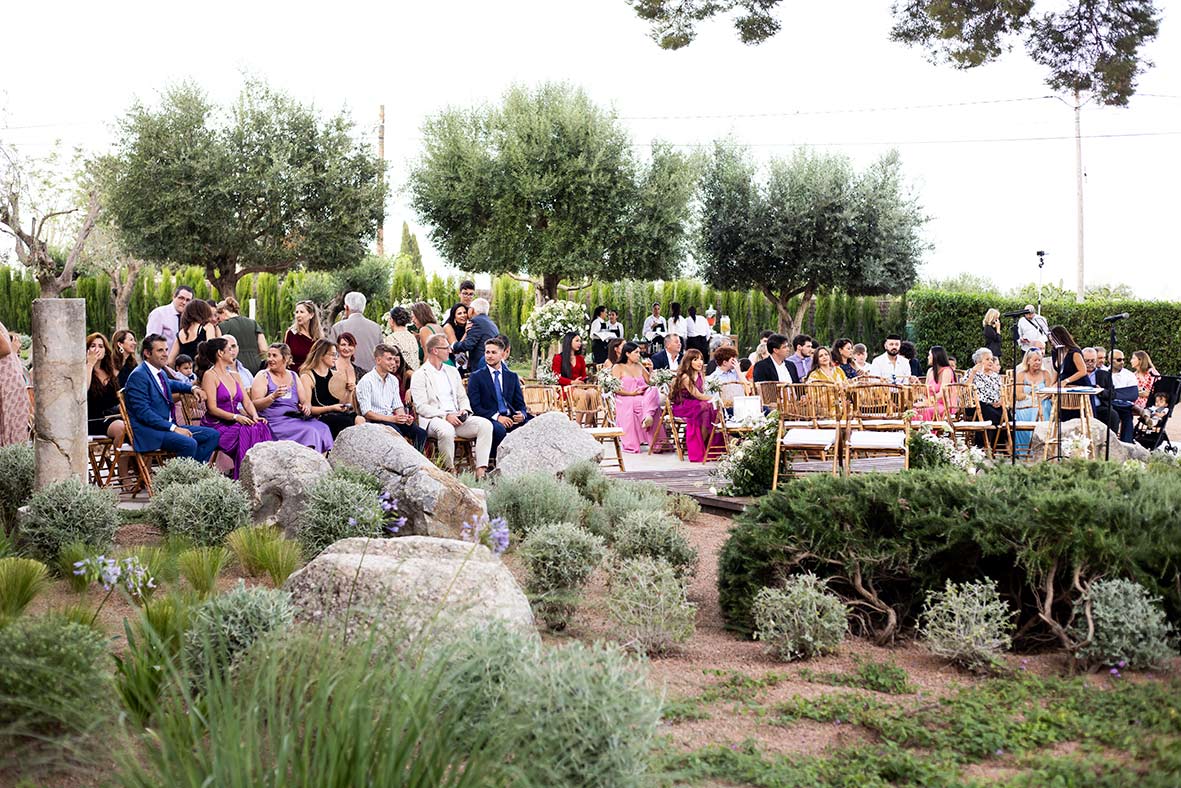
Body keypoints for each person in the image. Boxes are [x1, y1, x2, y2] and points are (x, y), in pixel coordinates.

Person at [123, 334, 219, 463]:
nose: (165, 354)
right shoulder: (138, 376)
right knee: (188, 443)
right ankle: (183, 479)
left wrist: (193, 389)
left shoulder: (160, 372)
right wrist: (174, 429)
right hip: (151, 432)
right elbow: (144, 414)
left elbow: (172, 383)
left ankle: (193, 475)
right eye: (160, 350)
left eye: (166, 350)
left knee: (212, 435)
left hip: (167, 427)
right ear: (147, 353)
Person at [410, 334, 493, 478]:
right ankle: (450, 472)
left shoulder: (452, 371)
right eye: (446, 347)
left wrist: (465, 411)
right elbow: (421, 407)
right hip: (434, 419)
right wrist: (445, 416)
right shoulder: (420, 375)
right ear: (435, 350)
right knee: (446, 430)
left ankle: (481, 472)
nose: (450, 350)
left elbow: (462, 397)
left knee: (485, 425)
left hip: (457, 417)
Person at [197, 337, 273, 479]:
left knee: (260, 426)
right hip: (217, 425)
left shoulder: (235, 375)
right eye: (229, 349)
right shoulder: (210, 375)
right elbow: (212, 408)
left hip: (236, 421)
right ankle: (245, 479)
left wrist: (255, 416)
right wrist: (235, 417)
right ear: (220, 353)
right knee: (247, 431)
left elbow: (247, 402)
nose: (233, 352)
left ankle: (262, 476)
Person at [251, 343, 333, 453]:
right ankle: (308, 465)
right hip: (274, 422)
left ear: (285, 358)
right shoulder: (263, 375)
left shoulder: (294, 375)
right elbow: (255, 404)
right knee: (310, 431)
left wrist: (305, 407)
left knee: (323, 428)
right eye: (269, 355)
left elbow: (304, 401)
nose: (270, 359)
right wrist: (272, 396)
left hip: (294, 418)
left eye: (274, 356)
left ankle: (323, 463)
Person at [467, 336, 530, 459]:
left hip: (511, 416)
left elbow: (520, 403)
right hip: (489, 417)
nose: (489, 356)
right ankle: (495, 463)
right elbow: (475, 406)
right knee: (498, 429)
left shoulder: (512, 376)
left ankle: (526, 461)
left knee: (533, 425)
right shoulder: (476, 377)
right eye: (487, 352)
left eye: (493, 352)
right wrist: (497, 417)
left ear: (502, 354)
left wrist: (521, 414)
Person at [356, 344, 428, 450]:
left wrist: (404, 418)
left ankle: (416, 463)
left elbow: (398, 406)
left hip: (391, 419)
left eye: (394, 360)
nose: (393, 363)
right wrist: (393, 419)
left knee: (421, 434)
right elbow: (367, 413)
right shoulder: (367, 381)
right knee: (397, 435)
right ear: (378, 360)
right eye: (389, 359)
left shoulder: (393, 380)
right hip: (375, 421)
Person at [669, 350, 725, 463]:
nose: (700, 362)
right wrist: (714, 399)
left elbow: (703, 392)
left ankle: (706, 443)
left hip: (697, 404)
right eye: (696, 359)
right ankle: (701, 444)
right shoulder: (685, 376)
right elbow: (697, 394)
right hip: (684, 405)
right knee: (707, 406)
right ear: (689, 362)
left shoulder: (700, 374)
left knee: (711, 408)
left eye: (701, 359)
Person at [610, 341, 665, 453]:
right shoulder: (618, 367)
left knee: (653, 390)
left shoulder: (639, 366)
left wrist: (651, 370)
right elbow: (615, 389)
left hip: (643, 395)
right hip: (626, 397)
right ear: (627, 354)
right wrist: (632, 394)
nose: (639, 355)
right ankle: (648, 417)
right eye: (636, 353)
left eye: (639, 353)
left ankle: (648, 417)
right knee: (651, 405)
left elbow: (651, 382)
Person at [299, 339, 359, 439]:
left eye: (336, 355)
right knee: (344, 421)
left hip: (337, 413)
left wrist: (349, 392)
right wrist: (331, 408)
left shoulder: (336, 375)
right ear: (321, 355)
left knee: (359, 419)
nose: (335, 358)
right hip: (320, 416)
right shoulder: (307, 376)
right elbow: (309, 409)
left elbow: (344, 403)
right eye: (332, 355)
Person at [85, 333, 126, 448]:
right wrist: (90, 364)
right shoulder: (83, 370)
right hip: (92, 420)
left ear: (105, 351)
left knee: (136, 425)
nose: (97, 349)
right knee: (121, 428)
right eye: (93, 346)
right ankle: (119, 462)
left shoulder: (109, 371)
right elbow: (83, 390)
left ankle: (132, 463)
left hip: (112, 416)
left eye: (101, 346)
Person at [327, 292, 383, 373]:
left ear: (346, 307)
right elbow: (381, 353)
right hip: (372, 374)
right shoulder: (376, 327)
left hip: (345, 374)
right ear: (363, 307)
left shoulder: (338, 327)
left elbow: (331, 353)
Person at [1014, 348, 1055, 454]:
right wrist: (1031, 396)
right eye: (1035, 360)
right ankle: (1025, 450)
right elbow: (1018, 395)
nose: (1037, 363)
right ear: (1028, 361)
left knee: (1043, 407)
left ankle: (1042, 448)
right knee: (1026, 411)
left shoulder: (1046, 373)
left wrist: (1041, 396)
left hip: (1043, 401)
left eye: (1039, 360)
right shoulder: (1021, 375)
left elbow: (1050, 392)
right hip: (1025, 403)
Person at [216, 297, 267, 373]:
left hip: (234, 366)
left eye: (218, 317)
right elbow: (264, 348)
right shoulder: (253, 323)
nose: (218, 320)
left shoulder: (222, 326)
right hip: (256, 365)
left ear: (223, 311)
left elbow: (220, 352)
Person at [1047, 325, 1087, 421]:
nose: (1051, 342)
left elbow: (1083, 371)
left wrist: (1066, 381)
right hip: (1063, 387)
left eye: (1053, 340)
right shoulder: (1055, 351)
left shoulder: (1074, 352)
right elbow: (1057, 370)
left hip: (1076, 383)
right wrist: (1052, 385)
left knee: (1076, 416)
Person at [450, 297, 498, 375]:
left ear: (471, 310)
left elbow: (467, 345)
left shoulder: (476, 322)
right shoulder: (492, 323)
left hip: (481, 366)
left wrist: (454, 345)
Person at [168, 298, 220, 367]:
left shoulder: (182, 332)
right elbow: (212, 350)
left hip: (185, 373)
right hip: (201, 371)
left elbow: (170, 361)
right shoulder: (207, 327)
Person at [968, 348, 1003, 447]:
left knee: (1006, 413)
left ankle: (1000, 445)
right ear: (978, 362)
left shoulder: (995, 376)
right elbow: (965, 389)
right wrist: (973, 374)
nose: (991, 361)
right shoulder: (971, 372)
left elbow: (1001, 392)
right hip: (976, 405)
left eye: (991, 359)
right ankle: (985, 444)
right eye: (987, 359)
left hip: (994, 405)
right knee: (989, 412)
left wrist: (1000, 401)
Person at [145, 285, 194, 353]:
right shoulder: (159, 314)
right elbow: (151, 341)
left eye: (188, 300)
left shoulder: (192, 318)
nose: (184, 302)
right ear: (174, 297)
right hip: (163, 360)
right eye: (181, 298)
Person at [917, 346, 955, 421]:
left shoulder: (946, 371)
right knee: (913, 410)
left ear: (935, 356)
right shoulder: (930, 371)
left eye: (929, 355)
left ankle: (929, 431)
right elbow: (926, 390)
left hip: (943, 405)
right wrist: (918, 385)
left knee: (925, 410)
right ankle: (917, 432)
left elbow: (942, 393)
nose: (928, 357)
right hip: (930, 403)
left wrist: (928, 401)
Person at [284, 300, 322, 372]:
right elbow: (284, 356)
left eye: (302, 312)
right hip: (294, 374)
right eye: (297, 312)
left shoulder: (318, 337)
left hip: (311, 374)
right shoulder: (290, 334)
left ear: (311, 315)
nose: (298, 315)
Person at [386, 306, 421, 372]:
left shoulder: (391, 338)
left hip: (401, 378)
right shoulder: (412, 336)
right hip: (415, 375)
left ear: (392, 321)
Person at [443, 304, 470, 375]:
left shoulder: (467, 325)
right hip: (451, 361)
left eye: (465, 312)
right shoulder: (448, 327)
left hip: (464, 361)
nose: (463, 315)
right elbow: (455, 348)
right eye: (459, 313)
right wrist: (466, 333)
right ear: (454, 316)